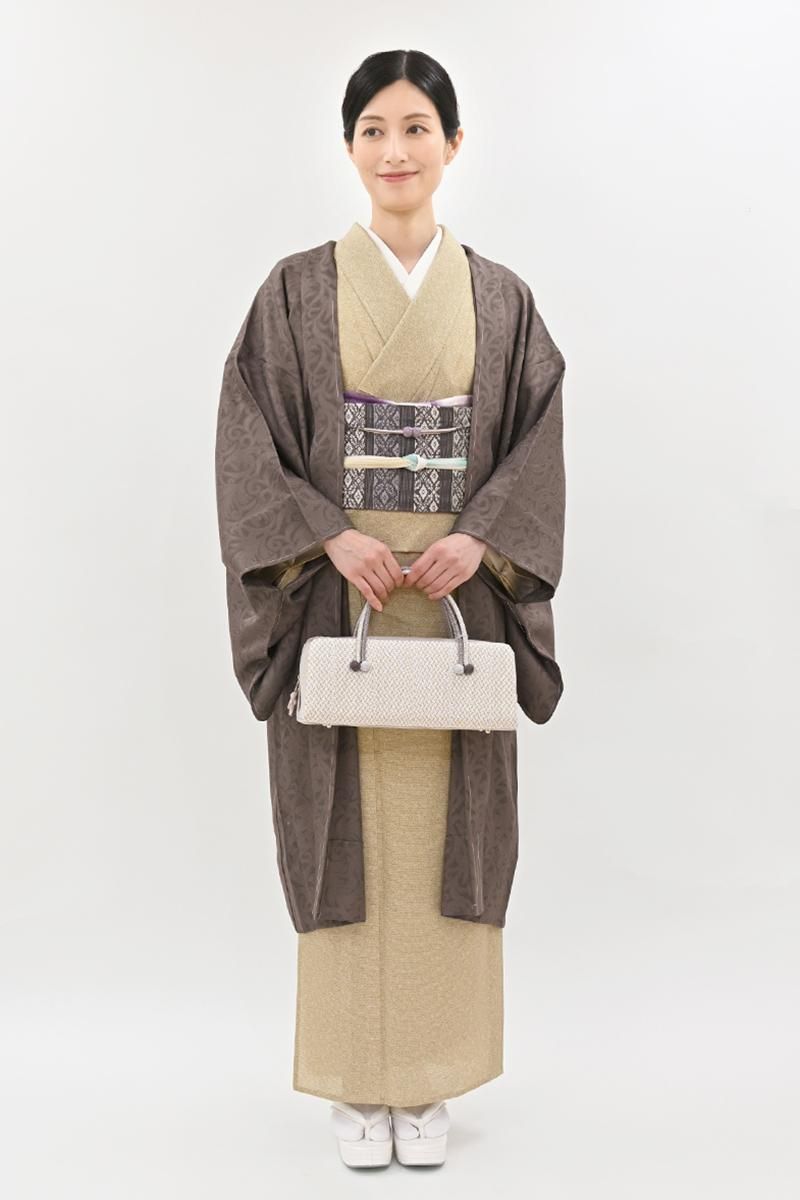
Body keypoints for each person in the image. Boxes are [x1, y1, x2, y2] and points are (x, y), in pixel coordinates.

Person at [214, 48, 567, 1168]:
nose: (394, 150)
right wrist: (329, 532)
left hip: (459, 606)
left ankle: (429, 1082)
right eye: (373, 129)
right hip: (340, 605)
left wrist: (481, 537)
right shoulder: (294, 292)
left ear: (453, 145)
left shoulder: (500, 300)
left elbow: (534, 443)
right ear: (349, 147)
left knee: (442, 846)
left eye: (416, 128)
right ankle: (353, 1082)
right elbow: (249, 439)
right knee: (344, 843)